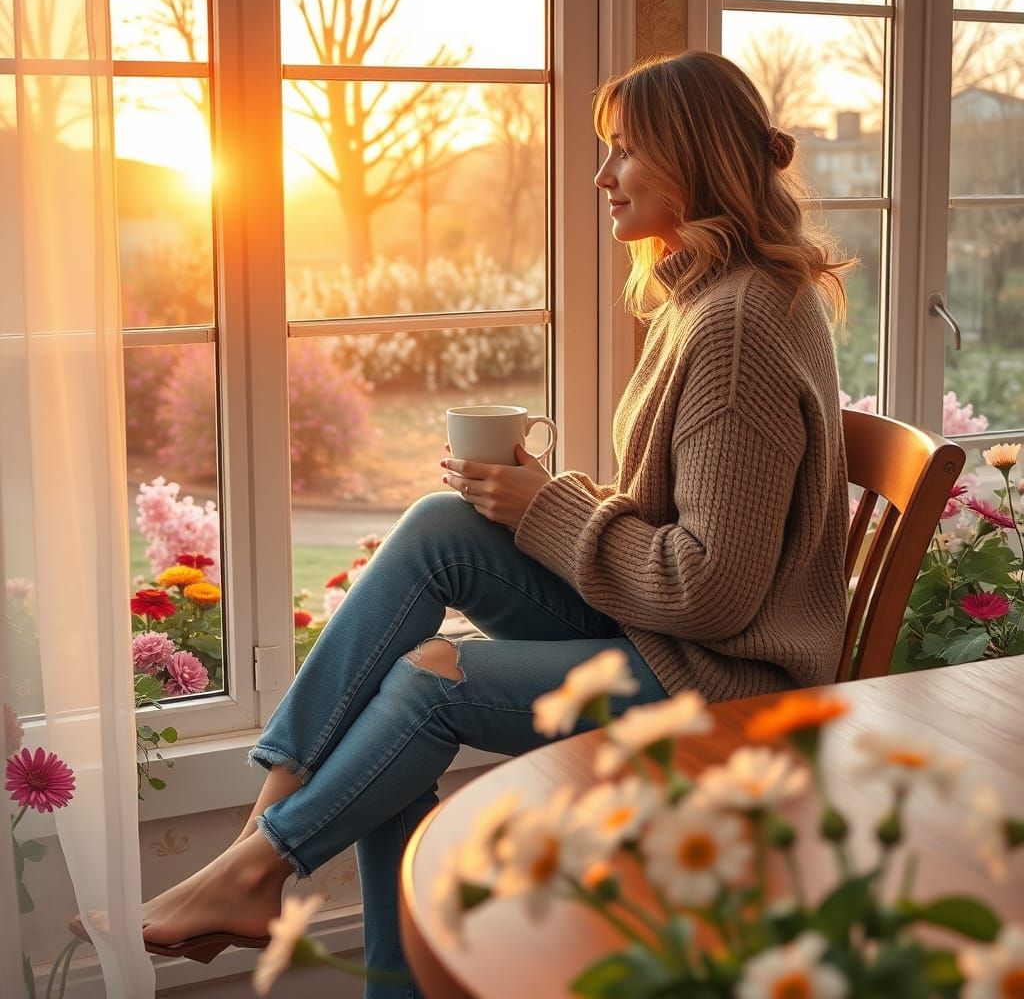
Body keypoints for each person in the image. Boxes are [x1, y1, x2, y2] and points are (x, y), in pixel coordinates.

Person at [91, 50, 852, 996]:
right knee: (442, 525)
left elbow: (712, 588)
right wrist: (533, 501)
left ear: (691, 160)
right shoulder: (708, 297)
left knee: (427, 681)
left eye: (623, 153)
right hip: (667, 640)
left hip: (725, 678)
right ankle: (265, 836)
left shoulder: (737, 325)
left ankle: (265, 868)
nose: (602, 176)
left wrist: (550, 507)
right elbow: (688, 532)